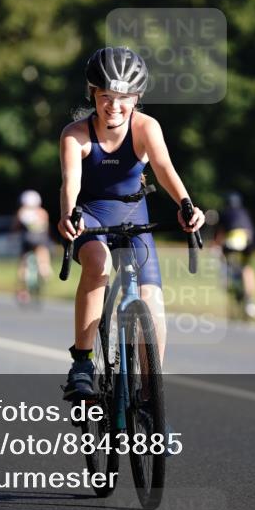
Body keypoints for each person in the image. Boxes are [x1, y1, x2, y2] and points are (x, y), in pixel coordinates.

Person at [57, 46, 204, 400]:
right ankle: (82, 362)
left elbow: (164, 167)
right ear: (92, 93)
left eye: (124, 97)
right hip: (90, 216)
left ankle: (152, 396)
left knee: (152, 302)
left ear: (136, 97)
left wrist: (186, 205)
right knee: (99, 264)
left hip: (133, 215)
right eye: (106, 95)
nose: (114, 105)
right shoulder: (75, 134)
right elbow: (70, 182)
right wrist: (67, 213)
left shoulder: (145, 127)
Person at [214, 191, 255, 318]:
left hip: (231, 244)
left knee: (224, 264)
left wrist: (216, 248)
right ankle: (250, 301)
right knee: (247, 269)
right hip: (247, 243)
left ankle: (226, 280)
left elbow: (220, 236)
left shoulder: (225, 213)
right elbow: (251, 232)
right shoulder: (245, 212)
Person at [13, 189, 52, 303]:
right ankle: (44, 269)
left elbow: (15, 227)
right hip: (40, 239)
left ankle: (23, 290)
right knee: (42, 252)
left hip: (27, 240)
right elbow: (46, 228)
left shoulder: (21, 212)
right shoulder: (42, 212)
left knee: (23, 262)